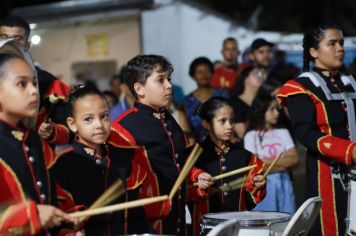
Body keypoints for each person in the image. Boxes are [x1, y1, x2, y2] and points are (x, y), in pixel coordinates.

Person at [112, 54, 211, 235]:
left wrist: (196, 175)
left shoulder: (168, 119)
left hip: (177, 217)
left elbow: (179, 161)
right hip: (148, 224)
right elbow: (122, 185)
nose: (169, 85)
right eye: (160, 80)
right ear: (139, 89)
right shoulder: (123, 128)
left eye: (169, 79)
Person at [277, 24, 356, 236]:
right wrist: (350, 151)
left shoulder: (350, 83)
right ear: (314, 52)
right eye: (332, 43)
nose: (340, 48)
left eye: (341, 43)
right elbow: (306, 134)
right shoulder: (300, 86)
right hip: (327, 175)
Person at [0, 53, 76, 235]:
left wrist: (64, 220)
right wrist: (30, 215)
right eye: (21, 84)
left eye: (34, 83)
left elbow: (47, 199)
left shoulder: (32, 140)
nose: (34, 91)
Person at [49, 84, 139, 235]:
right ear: (72, 124)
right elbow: (59, 217)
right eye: (88, 119)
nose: (99, 125)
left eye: (104, 116)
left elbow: (135, 211)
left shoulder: (121, 159)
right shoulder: (63, 165)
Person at [188, 96, 266, 236]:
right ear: (206, 123)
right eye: (222, 121)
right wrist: (198, 183)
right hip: (204, 230)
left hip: (238, 228)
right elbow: (184, 193)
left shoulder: (245, 156)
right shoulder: (191, 157)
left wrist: (256, 185)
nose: (229, 126)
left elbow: (250, 200)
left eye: (232, 120)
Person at [0, 15, 71, 145]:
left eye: (17, 39)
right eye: (3, 38)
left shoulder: (49, 84)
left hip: (33, 156)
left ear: (28, 45)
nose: (9, 44)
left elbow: (70, 128)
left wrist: (52, 132)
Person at [244, 94, 299, 214]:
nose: (277, 113)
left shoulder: (283, 132)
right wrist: (283, 164)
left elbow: (294, 159)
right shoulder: (251, 136)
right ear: (261, 111)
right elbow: (254, 167)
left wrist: (265, 161)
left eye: (277, 109)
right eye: (272, 109)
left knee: (286, 218)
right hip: (263, 184)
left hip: (284, 182)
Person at [183, 56, 229, 142]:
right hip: (198, 147)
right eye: (200, 72)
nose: (204, 75)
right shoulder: (187, 100)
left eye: (207, 71)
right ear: (193, 76)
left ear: (212, 73)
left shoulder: (222, 93)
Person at [229, 66, 266, 141]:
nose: (260, 76)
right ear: (246, 79)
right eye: (256, 74)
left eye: (261, 74)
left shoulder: (265, 101)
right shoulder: (234, 102)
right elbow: (242, 134)